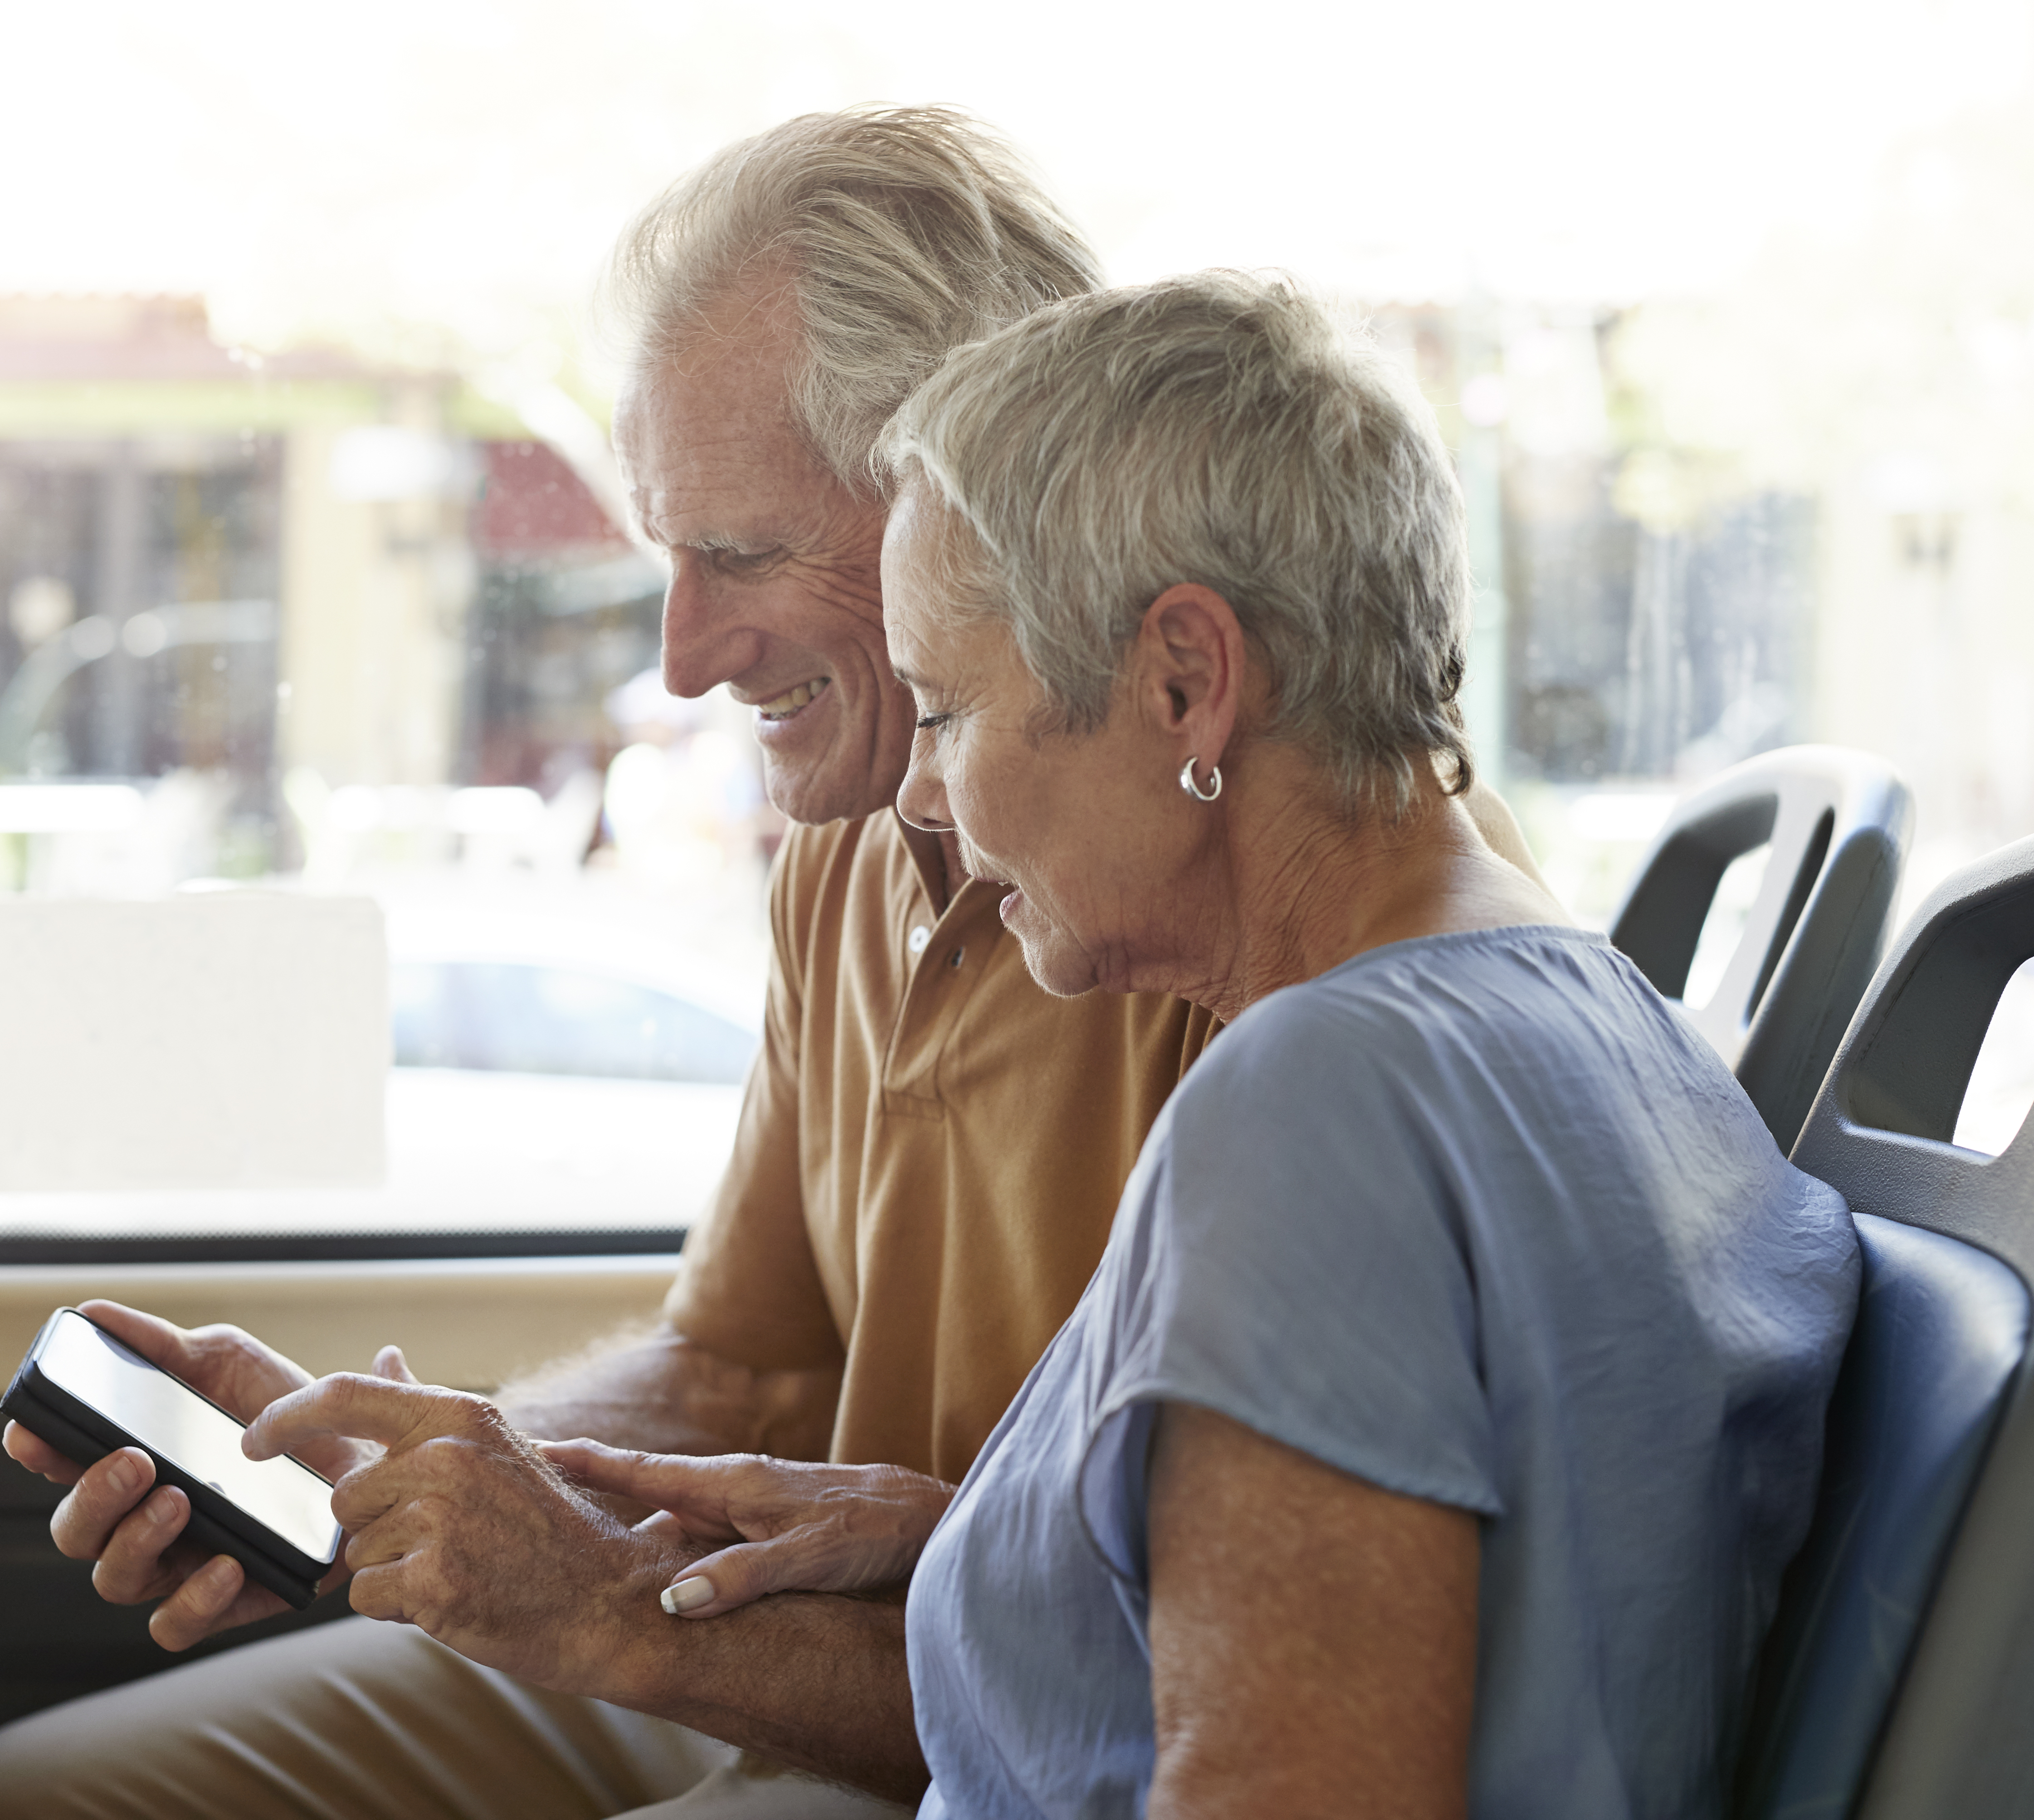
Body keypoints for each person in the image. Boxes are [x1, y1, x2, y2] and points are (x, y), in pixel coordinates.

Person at [0, 106, 1193, 1820]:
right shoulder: (837, 855)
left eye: (735, 556)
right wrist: (387, 1466)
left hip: (989, 1723)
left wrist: (596, 1602)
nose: (676, 661)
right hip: (771, 1621)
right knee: (29, 1801)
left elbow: (1178, 1658)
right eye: (660, 555)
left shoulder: (1213, 899)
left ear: (962, 505)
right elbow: (744, 1366)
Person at [543, 274, 1866, 1815]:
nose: (920, 797)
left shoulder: (1317, 1109)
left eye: (951, 714)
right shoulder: (1602, 1028)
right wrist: (972, 1539)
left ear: (1184, 680)